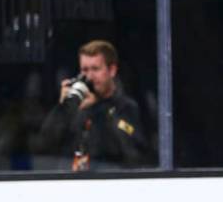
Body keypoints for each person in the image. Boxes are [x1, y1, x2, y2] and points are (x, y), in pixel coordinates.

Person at [36, 40, 148, 171]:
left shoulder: (127, 107)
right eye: (85, 70)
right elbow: (44, 144)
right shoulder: (75, 104)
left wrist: (98, 107)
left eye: (95, 69)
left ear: (112, 70)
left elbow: (133, 154)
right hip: (72, 183)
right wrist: (63, 107)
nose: (89, 76)